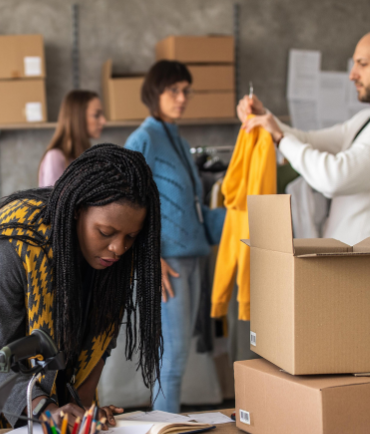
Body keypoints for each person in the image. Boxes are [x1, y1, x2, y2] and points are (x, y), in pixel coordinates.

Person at [0, 144, 163, 429]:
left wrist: (81, 413)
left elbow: (99, 342)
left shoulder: (113, 258)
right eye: (106, 232)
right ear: (75, 212)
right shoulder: (16, 245)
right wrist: (47, 411)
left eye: (131, 236)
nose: (118, 247)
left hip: (36, 398)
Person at [124, 60, 225, 414]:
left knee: (180, 353)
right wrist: (148, 257)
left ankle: (164, 430)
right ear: (155, 93)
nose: (182, 97)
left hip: (194, 257)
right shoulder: (143, 139)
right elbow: (124, 205)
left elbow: (193, 209)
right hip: (168, 263)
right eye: (174, 90)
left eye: (186, 90)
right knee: (174, 355)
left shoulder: (180, 141)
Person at [240, 32, 370, 245]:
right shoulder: (365, 119)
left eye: (362, 64)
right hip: (348, 264)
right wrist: (264, 118)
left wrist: (280, 138)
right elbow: (307, 140)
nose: (352, 75)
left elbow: (333, 178)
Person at [38, 90, 107, 187]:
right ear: (78, 117)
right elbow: (53, 200)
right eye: (96, 115)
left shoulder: (87, 155)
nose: (104, 121)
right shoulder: (55, 157)